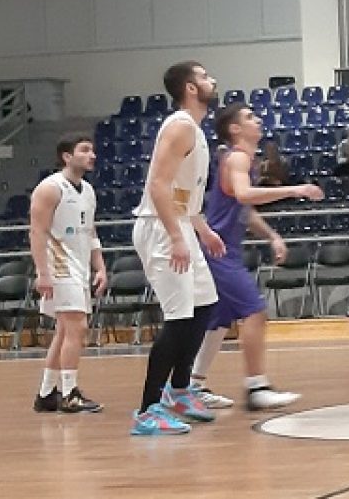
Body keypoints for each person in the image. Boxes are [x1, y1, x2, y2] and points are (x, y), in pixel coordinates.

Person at [188, 103, 319, 411]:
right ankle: (257, 387)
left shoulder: (245, 160)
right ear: (235, 129)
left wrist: (272, 236)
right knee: (255, 311)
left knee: (220, 320)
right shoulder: (237, 157)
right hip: (217, 251)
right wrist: (295, 190)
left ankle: (193, 385)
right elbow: (245, 195)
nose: (257, 120)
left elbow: (244, 210)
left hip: (225, 250)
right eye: (249, 117)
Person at [129, 61, 223, 436]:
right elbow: (158, 186)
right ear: (190, 87)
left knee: (205, 305)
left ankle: (180, 391)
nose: (212, 79)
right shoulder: (180, 126)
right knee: (180, 317)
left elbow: (184, 197)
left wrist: (203, 230)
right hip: (160, 226)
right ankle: (147, 411)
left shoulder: (195, 130)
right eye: (204, 76)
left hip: (180, 223)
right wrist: (177, 237)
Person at [30, 134, 107, 414]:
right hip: (59, 266)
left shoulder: (88, 190)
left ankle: (46, 393)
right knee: (77, 327)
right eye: (84, 150)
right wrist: (42, 272)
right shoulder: (50, 188)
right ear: (67, 156)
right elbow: (37, 231)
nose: (92, 155)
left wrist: (100, 265)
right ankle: (69, 393)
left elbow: (91, 230)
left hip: (80, 264)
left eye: (92, 150)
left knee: (64, 331)